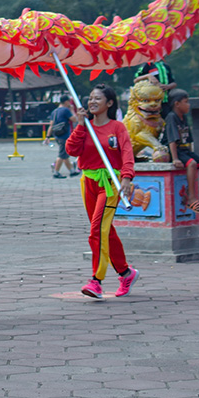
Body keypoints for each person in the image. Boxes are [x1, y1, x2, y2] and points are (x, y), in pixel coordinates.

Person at [66, 85, 139, 300]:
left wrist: (126, 178)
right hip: (88, 181)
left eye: (98, 98)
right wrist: (80, 126)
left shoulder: (117, 127)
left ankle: (96, 281)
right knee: (105, 230)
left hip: (109, 184)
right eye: (90, 98)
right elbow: (71, 150)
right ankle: (126, 273)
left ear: (109, 103)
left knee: (97, 229)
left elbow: (127, 154)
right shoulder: (85, 126)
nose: (92, 102)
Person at [163, 90, 199, 213]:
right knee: (191, 164)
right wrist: (175, 159)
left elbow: (189, 139)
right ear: (177, 104)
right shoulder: (171, 117)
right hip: (174, 150)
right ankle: (191, 198)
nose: (188, 105)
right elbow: (172, 140)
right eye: (186, 102)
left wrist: (192, 153)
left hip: (184, 150)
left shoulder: (184, 117)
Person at [48, 94, 76, 179]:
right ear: (66, 101)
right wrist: (72, 110)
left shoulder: (54, 111)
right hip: (64, 135)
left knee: (65, 154)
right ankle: (56, 172)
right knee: (62, 154)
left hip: (57, 134)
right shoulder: (66, 110)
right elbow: (75, 119)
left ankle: (72, 171)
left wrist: (47, 136)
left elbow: (51, 125)